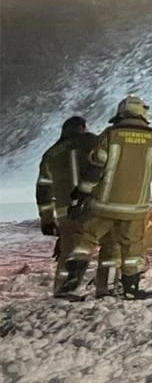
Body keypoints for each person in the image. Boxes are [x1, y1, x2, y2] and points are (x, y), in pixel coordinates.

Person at [57, 94, 152, 301]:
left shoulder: (110, 135)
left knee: (86, 238)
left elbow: (95, 169)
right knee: (133, 248)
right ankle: (131, 289)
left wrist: (82, 194)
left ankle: (74, 279)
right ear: (142, 113)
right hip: (136, 208)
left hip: (103, 205)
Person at [36, 116, 98, 296]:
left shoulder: (50, 154)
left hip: (66, 212)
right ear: (82, 127)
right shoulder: (95, 141)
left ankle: (62, 289)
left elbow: (43, 190)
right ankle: (107, 284)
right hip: (95, 205)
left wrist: (47, 219)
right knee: (111, 243)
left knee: (68, 251)